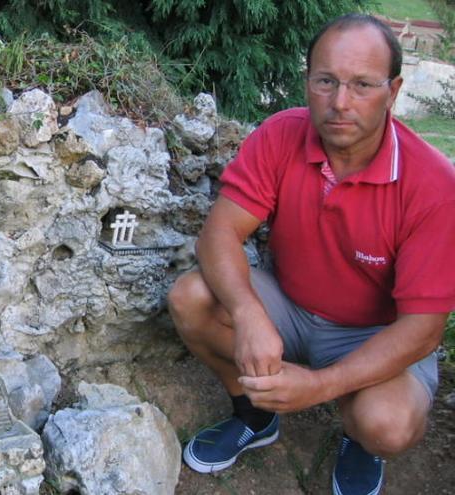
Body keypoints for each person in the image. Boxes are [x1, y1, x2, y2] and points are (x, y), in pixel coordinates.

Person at [168, 13, 455, 495]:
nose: (340, 103)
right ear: (308, 81)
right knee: (190, 297)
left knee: (388, 424)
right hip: (290, 306)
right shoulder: (281, 133)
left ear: (395, 89)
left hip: (373, 331)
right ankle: (255, 414)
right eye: (326, 81)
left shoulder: (434, 186)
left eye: (362, 84)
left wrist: (321, 387)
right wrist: (249, 314)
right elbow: (219, 234)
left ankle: (360, 441)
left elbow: (422, 330)